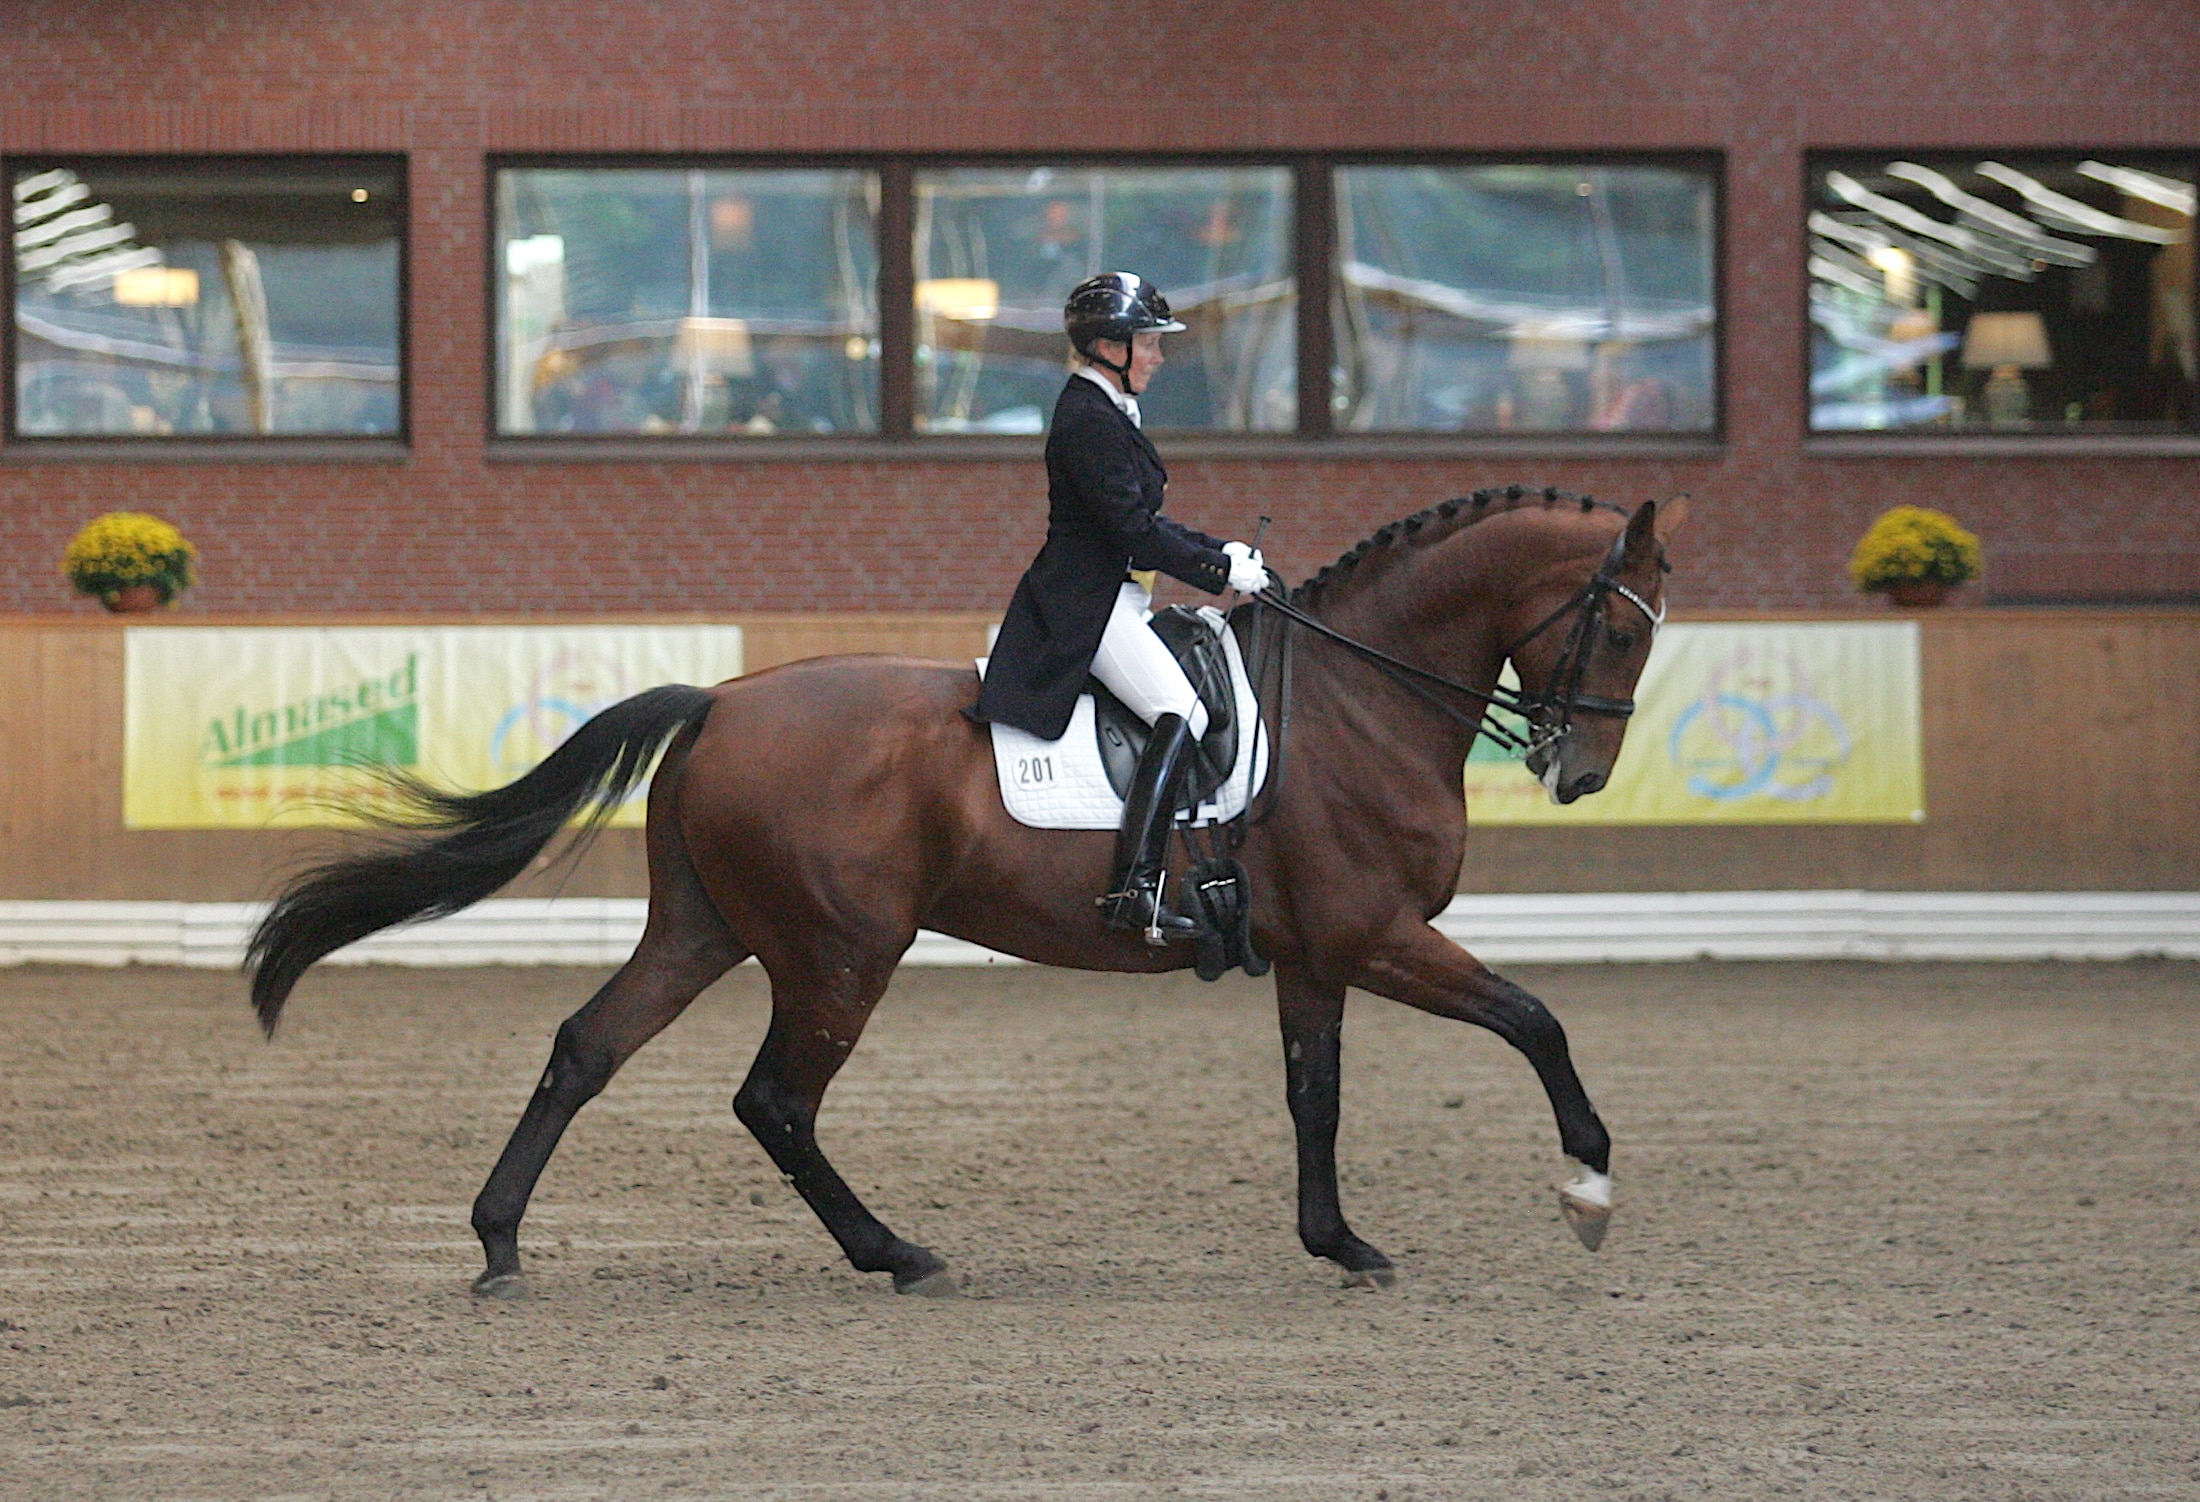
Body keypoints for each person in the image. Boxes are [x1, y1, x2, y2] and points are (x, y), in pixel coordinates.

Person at [969, 272, 1271, 943]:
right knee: (1183, 712)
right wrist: (1219, 569)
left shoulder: (1107, 408)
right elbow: (1133, 531)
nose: (1159, 356)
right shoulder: (1086, 417)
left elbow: (1146, 522)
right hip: (1087, 601)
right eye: (1149, 343)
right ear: (1109, 346)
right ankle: (1136, 887)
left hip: (1115, 593)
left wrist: (1217, 549)